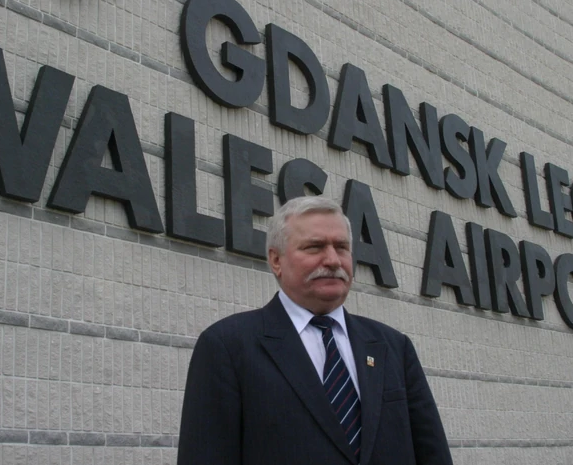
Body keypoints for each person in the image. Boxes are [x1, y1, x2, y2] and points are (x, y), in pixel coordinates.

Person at [178, 196, 453, 465]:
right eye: (314, 247)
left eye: (341, 247)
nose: (333, 260)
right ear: (276, 260)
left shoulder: (393, 346)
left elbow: (432, 453)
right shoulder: (227, 346)